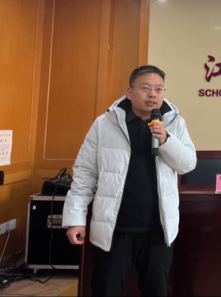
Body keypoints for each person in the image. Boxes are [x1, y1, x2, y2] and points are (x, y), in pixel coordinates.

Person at [63, 65, 197, 296]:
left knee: (155, 291)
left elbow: (187, 164)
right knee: (105, 290)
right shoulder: (105, 124)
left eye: (159, 89)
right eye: (145, 88)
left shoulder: (174, 122)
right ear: (130, 91)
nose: (153, 94)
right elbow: (84, 173)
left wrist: (167, 140)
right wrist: (75, 218)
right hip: (114, 229)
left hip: (159, 230)